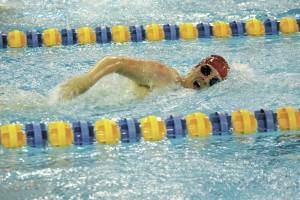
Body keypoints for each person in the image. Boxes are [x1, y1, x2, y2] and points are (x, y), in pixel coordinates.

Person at [55, 55, 229, 101]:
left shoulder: (180, 94)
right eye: (206, 71)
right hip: (81, 99)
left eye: (213, 81)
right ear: (196, 67)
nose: (206, 80)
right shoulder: (167, 76)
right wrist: (89, 79)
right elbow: (116, 62)